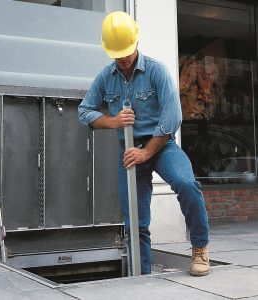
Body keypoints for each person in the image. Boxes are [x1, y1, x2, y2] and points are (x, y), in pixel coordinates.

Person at [78, 11, 210, 276]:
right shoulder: (106, 77)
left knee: (186, 183)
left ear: (136, 42)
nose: (124, 58)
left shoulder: (157, 71)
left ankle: (200, 247)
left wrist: (146, 152)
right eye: (118, 53)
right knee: (135, 219)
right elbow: (84, 112)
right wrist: (112, 121)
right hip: (128, 150)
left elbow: (172, 118)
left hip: (161, 145)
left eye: (127, 50)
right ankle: (141, 275)